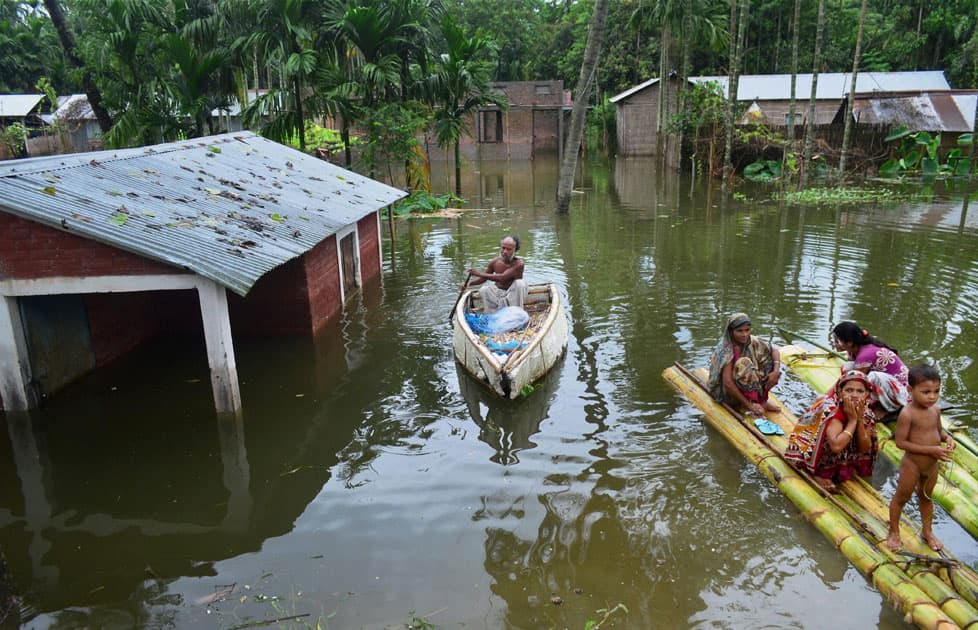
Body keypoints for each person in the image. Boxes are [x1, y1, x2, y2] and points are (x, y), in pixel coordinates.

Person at [886, 364, 955, 551]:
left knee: (926, 497)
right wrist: (932, 450)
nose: (932, 396)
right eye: (926, 392)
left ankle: (927, 531)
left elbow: (938, 431)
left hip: (931, 466)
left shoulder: (936, 411)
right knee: (901, 498)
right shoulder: (907, 414)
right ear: (910, 390)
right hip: (913, 465)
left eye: (936, 391)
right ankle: (894, 531)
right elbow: (901, 443)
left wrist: (948, 438)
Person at [784, 370, 879, 493]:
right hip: (807, 447)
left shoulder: (866, 413)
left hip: (843, 440)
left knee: (867, 432)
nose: (854, 395)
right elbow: (836, 446)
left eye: (860, 391)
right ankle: (817, 472)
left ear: (866, 394)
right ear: (840, 393)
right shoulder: (831, 410)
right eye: (849, 390)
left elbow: (865, 448)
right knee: (834, 435)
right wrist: (852, 422)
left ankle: (840, 467)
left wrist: (859, 420)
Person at [830, 321, 909, 420]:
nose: (835, 344)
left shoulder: (866, 354)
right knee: (847, 367)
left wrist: (832, 397)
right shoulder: (853, 351)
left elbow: (854, 381)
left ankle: (887, 408)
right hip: (889, 385)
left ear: (849, 342)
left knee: (871, 377)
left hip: (903, 392)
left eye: (837, 341)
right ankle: (880, 401)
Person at [707, 313, 781, 417]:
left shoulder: (751, 341)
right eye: (739, 331)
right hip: (727, 392)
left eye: (747, 330)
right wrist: (750, 405)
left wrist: (776, 372)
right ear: (731, 332)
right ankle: (745, 404)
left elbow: (774, 351)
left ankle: (762, 401)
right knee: (744, 363)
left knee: (768, 359)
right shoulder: (725, 350)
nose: (744, 335)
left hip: (745, 382)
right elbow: (727, 382)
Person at [464, 235, 527, 314]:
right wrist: (469, 283)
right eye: (503, 248)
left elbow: (502, 277)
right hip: (499, 293)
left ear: (515, 250)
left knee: (520, 283)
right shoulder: (495, 262)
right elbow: (484, 278)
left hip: (513, 294)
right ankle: (492, 314)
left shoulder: (519, 264)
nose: (505, 252)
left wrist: (478, 273)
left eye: (509, 249)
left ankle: (517, 313)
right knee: (484, 289)